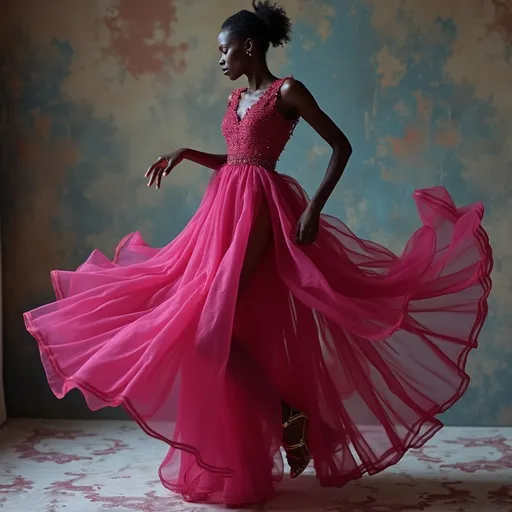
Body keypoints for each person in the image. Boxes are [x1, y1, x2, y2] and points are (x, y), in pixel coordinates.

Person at [24, 0, 493, 507]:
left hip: (262, 212)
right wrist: (186, 153)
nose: (220, 59)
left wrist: (313, 209)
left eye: (225, 50)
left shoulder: (286, 91)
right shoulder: (235, 102)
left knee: (209, 325)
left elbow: (341, 145)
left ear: (250, 47)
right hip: (222, 211)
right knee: (206, 325)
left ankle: (291, 413)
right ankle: (290, 413)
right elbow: (237, 158)